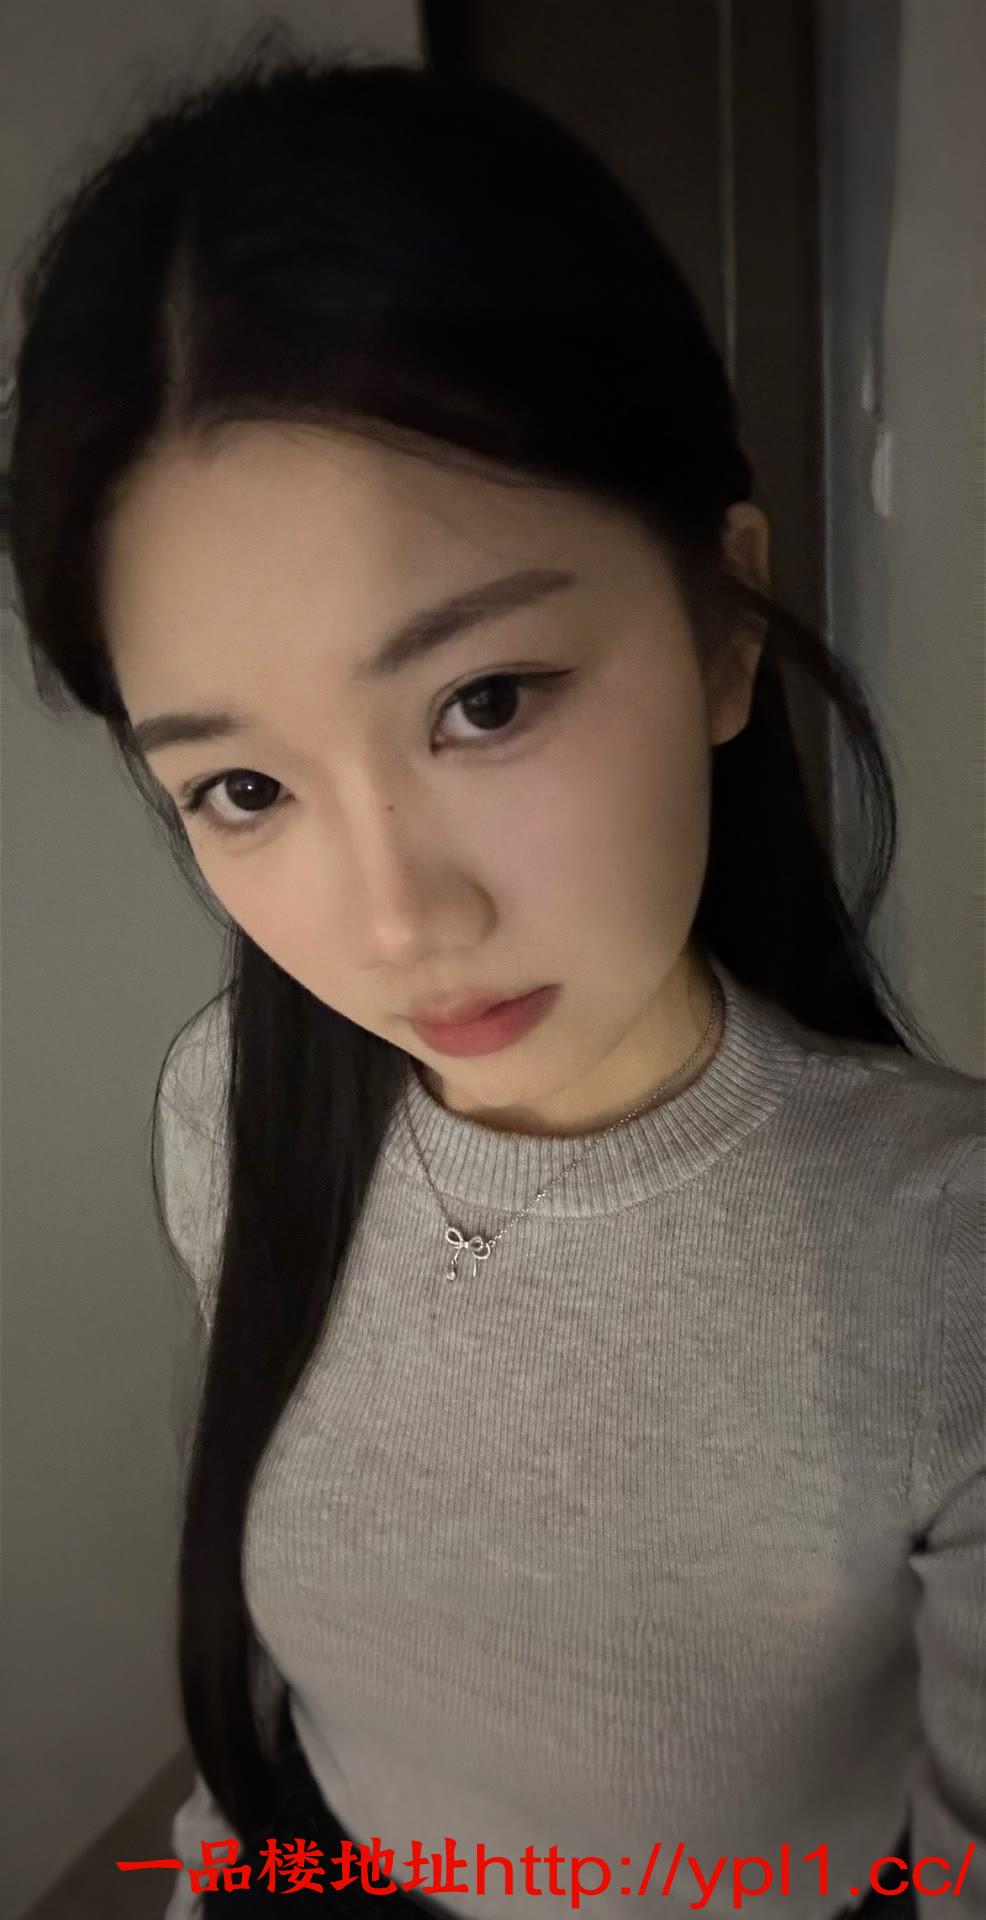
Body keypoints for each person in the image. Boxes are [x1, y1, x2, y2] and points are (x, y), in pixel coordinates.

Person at [7, 31, 983, 1920]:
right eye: (241, 788)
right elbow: (277, 1736)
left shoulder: (944, 1273)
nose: (393, 924)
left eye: (485, 700)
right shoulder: (229, 1111)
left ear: (721, 620)